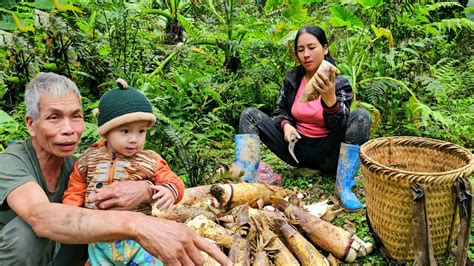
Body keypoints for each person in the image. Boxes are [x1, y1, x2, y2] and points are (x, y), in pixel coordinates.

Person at [0, 72, 230, 266]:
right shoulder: (10, 162)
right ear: (31, 124)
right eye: (54, 118)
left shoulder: (80, 164)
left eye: (76, 117)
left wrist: (147, 188)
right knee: (27, 233)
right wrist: (137, 225)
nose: (69, 129)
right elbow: (41, 217)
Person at [236, 26, 371, 210]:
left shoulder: (339, 83)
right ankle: (246, 182)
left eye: (311, 47)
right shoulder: (293, 79)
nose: (306, 54)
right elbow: (281, 110)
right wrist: (286, 125)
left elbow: (340, 125)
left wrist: (330, 100)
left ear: (325, 48)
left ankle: (344, 187)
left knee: (362, 116)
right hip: (295, 149)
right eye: (301, 50)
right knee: (249, 115)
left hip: (328, 153)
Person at [62, 78, 185, 265]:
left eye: (141, 131)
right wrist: (70, 214)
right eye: (125, 131)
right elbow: (75, 189)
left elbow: (172, 179)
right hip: (98, 239)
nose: (134, 139)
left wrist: (169, 190)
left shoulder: (150, 160)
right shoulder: (88, 159)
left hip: (140, 239)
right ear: (106, 132)